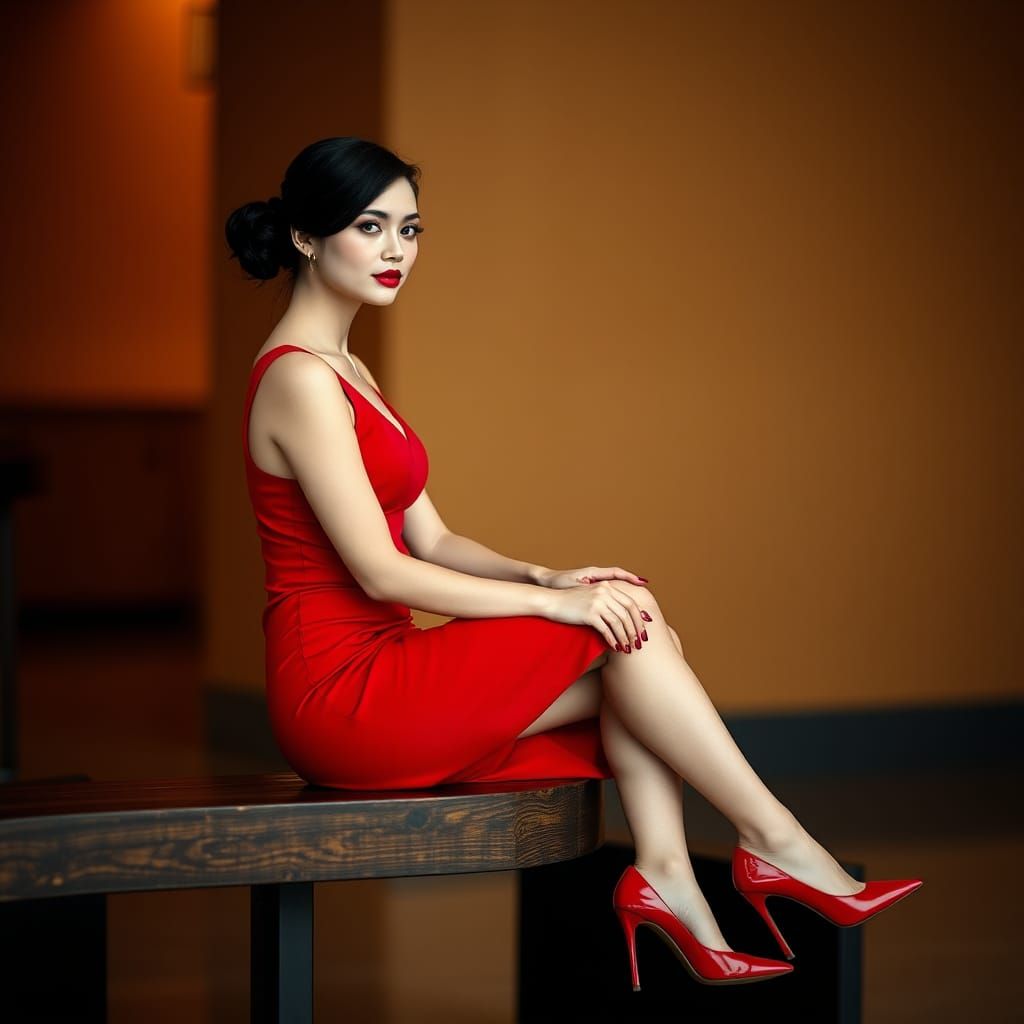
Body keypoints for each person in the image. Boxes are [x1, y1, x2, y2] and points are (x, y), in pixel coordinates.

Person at [224, 136, 922, 990]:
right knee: (613, 631)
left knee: (624, 617)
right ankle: (774, 846)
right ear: (305, 236)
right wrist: (555, 612)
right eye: (371, 228)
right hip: (339, 690)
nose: (397, 251)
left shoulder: (349, 370)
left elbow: (434, 540)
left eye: (411, 229)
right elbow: (383, 573)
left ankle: (672, 873)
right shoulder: (298, 380)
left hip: (389, 663)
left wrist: (550, 579)